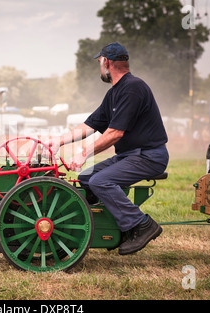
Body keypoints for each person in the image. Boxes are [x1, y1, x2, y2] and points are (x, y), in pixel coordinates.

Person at [45, 42, 169, 255]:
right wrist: (59, 140)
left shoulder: (133, 88)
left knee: (100, 181)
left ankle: (141, 225)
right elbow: (90, 125)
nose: (99, 68)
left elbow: (115, 133)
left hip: (149, 156)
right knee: (85, 179)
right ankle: (102, 224)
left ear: (106, 62)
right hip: (130, 155)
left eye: (99, 63)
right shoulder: (115, 93)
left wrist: (84, 153)